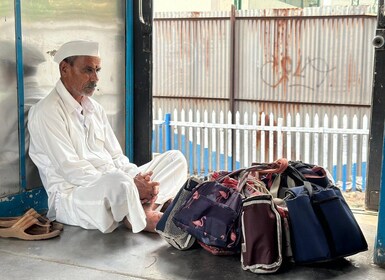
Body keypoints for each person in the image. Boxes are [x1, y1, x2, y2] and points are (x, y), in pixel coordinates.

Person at [27, 40, 188, 233]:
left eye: (97, 70)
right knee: (117, 182)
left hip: (115, 185)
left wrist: (138, 179)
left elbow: (116, 157)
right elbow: (72, 171)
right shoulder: (47, 111)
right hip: (76, 195)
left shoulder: (95, 109)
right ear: (64, 69)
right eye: (88, 70)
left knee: (175, 159)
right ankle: (144, 211)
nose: (95, 78)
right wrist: (130, 183)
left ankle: (141, 207)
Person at [0, 40, 48, 191]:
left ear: (9, 69)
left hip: (9, 188)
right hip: (41, 186)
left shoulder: (8, 105)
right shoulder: (46, 100)